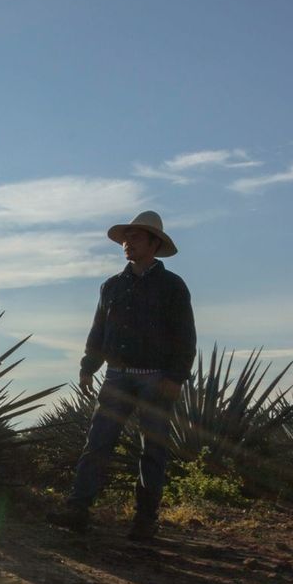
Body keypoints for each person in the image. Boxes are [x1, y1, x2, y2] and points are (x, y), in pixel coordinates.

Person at [47, 210, 196, 541]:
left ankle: (145, 520)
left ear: (154, 244)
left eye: (136, 237)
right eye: (126, 238)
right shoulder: (112, 286)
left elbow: (185, 336)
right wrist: (88, 367)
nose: (128, 243)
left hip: (156, 378)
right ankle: (78, 510)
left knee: (152, 450)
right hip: (116, 377)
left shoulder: (172, 286)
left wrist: (176, 377)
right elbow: (99, 330)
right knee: (98, 443)